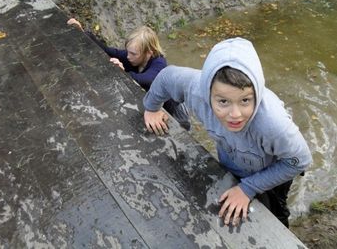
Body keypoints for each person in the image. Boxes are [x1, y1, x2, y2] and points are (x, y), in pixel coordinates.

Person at [143, 37, 312, 228]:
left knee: (276, 211)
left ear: (256, 92)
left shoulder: (273, 124)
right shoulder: (196, 90)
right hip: (233, 158)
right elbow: (166, 77)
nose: (235, 115)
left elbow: (300, 160)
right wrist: (152, 107)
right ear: (207, 93)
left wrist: (248, 188)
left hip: (273, 166)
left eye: (245, 100)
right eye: (223, 101)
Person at [67, 18, 190, 130]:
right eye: (128, 51)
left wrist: (123, 71)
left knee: (181, 130)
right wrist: (83, 32)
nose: (128, 56)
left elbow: (148, 80)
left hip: (174, 109)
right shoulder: (133, 57)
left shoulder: (159, 63)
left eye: (133, 54)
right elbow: (108, 51)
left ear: (149, 53)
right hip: (154, 102)